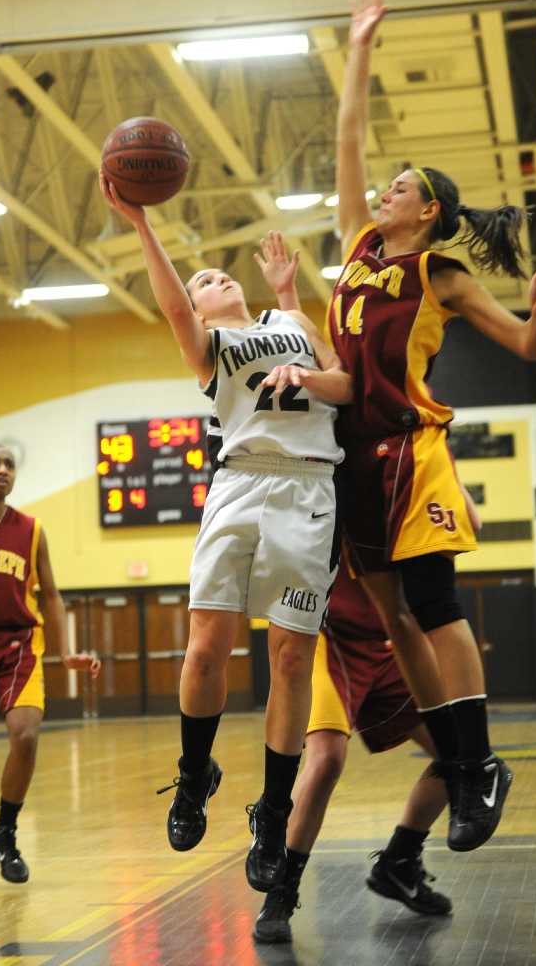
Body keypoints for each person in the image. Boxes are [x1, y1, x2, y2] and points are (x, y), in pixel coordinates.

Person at [328, 0, 536, 853]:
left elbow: (530, 350)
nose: (381, 191)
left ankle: (478, 760)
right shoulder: (358, 249)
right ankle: (467, 767)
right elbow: (347, 139)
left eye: (399, 188)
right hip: (350, 460)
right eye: (383, 186)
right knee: (392, 621)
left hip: (409, 451)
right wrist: (358, 47)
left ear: (427, 211)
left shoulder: (441, 276)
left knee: (430, 602)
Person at [100, 175, 352, 893]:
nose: (210, 279)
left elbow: (343, 386)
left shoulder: (297, 326)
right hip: (238, 483)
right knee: (206, 645)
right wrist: (142, 224)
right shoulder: (213, 344)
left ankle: (273, 812)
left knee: (290, 662)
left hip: (308, 487)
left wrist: (296, 315)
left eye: (216, 274)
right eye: (201, 281)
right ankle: (192, 776)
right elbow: (173, 303)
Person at [252, 547, 451, 944]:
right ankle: (281, 890)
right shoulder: (332, 487)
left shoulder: (411, 490)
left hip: (388, 637)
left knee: (460, 757)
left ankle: (400, 860)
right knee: (326, 758)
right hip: (330, 635)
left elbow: (463, 525)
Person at [0, 444, 100, 891]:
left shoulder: (33, 530)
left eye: (9, 464)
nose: (2, 470)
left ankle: (5, 833)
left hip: (19, 644)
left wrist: (65, 651)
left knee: (25, 734)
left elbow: (52, 594)